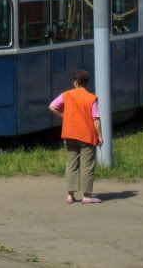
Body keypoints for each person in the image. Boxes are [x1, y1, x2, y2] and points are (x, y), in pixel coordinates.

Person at [48, 70, 103, 205]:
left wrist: (63, 116)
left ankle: (70, 195)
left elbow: (52, 106)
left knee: (71, 165)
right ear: (85, 83)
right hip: (86, 136)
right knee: (87, 166)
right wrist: (100, 136)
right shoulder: (91, 98)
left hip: (70, 134)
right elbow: (96, 119)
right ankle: (87, 196)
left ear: (75, 82)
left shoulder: (66, 95)